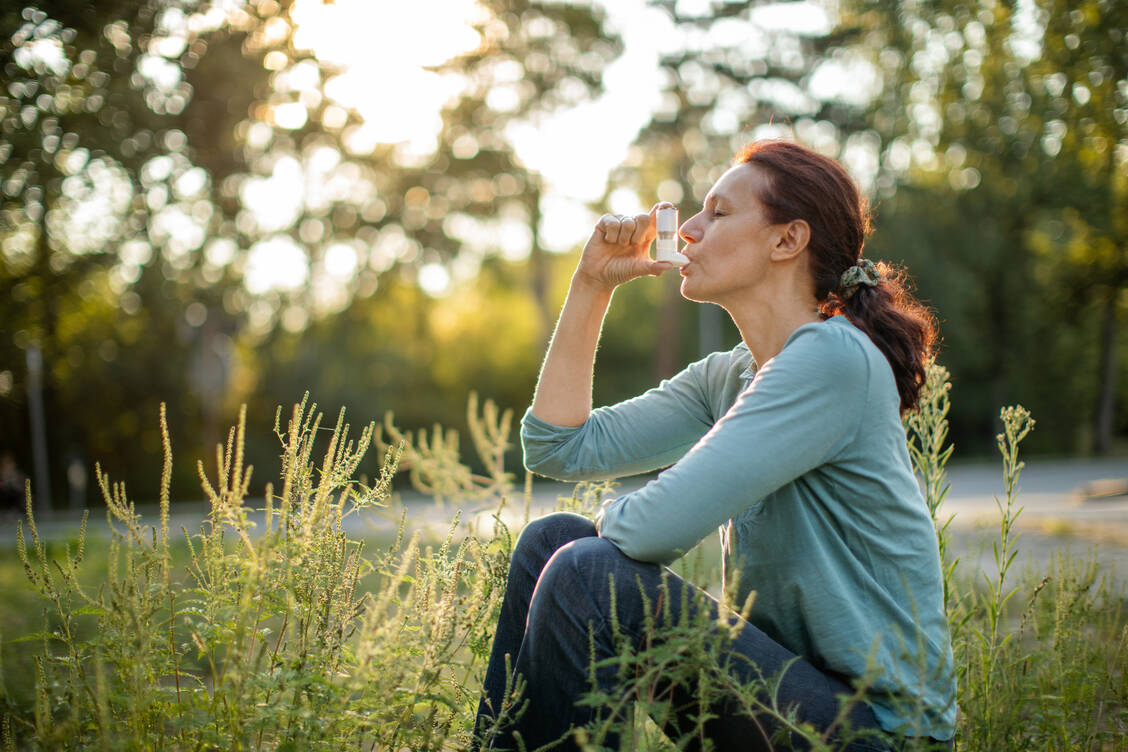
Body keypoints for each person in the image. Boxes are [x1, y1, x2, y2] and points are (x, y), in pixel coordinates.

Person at [470, 140, 956, 751]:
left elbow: (646, 534)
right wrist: (592, 284)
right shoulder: (730, 376)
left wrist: (606, 565)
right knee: (554, 544)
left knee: (586, 569)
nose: (690, 231)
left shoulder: (836, 357)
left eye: (718, 213)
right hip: (785, 699)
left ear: (787, 241)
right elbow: (556, 447)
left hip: (874, 733)